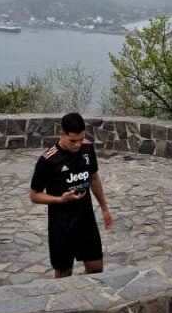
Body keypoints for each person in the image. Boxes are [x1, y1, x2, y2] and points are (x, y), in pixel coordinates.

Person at [29, 112, 113, 277]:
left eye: (81, 139)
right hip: (61, 225)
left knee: (96, 269)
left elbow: (94, 177)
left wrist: (104, 208)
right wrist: (60, 199)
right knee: (64, 274)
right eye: (73, 141)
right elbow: (35, 195)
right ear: (62, 134)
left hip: (86, 219)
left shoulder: (87, 148)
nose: (77, 145)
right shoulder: (47, 160)